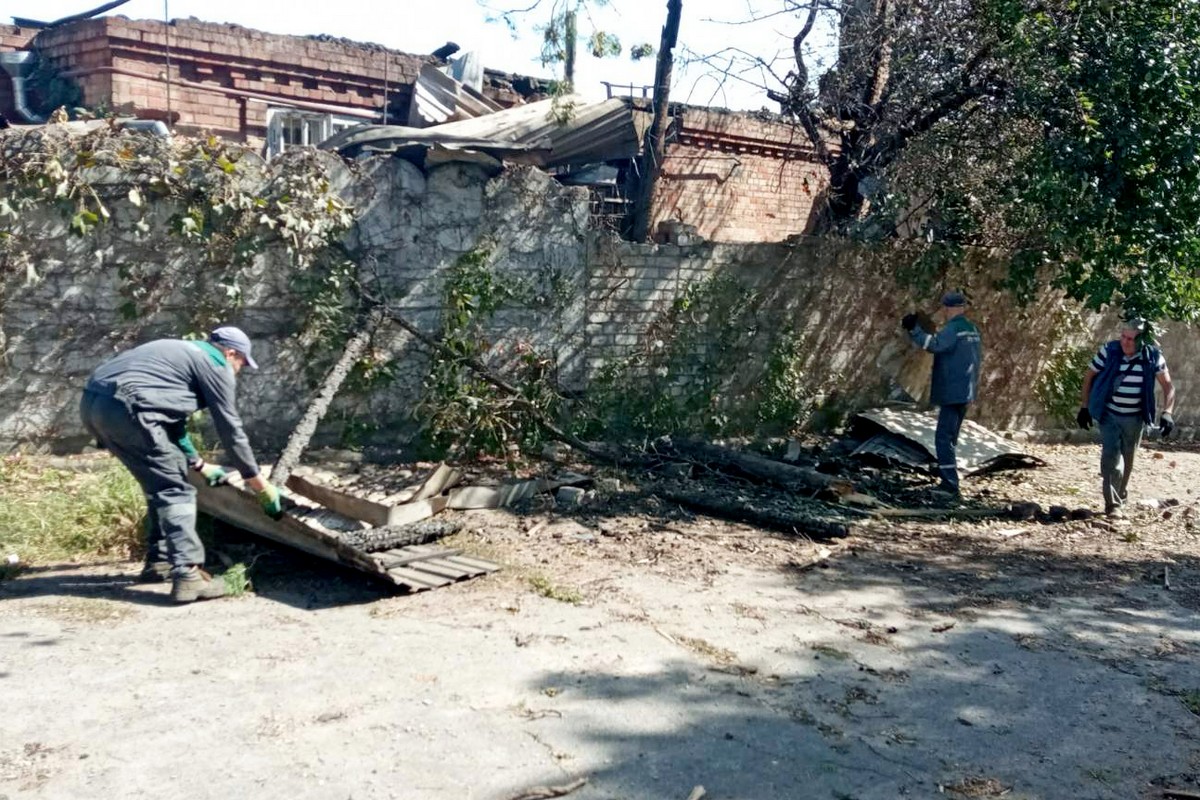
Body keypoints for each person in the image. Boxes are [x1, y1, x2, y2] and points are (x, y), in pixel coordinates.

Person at [80, 326, 283, 603]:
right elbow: (230, 429)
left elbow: (170, 422)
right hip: (129, 409)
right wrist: (258, 483)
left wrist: (199, 465)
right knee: (176, 491)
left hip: (95, 405)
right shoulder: (214, 363)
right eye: (242, 363)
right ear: (230, 352)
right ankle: (188, 575)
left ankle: (160, 561)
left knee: (161, 480)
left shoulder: (180, 351)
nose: (239, 369)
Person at [1076, 318, 1176, 516]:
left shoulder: (1153, 356)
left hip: (1135, 418)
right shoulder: (1109, 351)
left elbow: (1168, 386)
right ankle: (1112, 505)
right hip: (1110, 414)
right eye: (1123, 336)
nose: (1125, 342)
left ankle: (1120, 495)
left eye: (1131, 339)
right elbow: (1089, 376)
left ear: (1141, 341)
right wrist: (1085, 407)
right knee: (1111, 457)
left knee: (1127, 459)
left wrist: (1167, 413)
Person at [901, 291, 983, 498]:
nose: (944, 312)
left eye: (945, 308)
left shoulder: (954, 328)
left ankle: (949, 484)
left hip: (952, 390)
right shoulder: (972, 329)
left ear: (950, 308)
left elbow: (935, 345)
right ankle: (948, 472)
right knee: (951, 437)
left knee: (943, 438)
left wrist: (914, 329)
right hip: (966, 391)